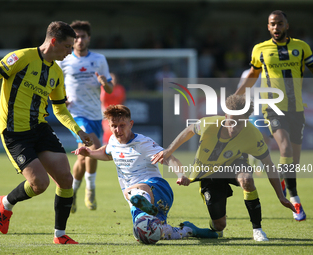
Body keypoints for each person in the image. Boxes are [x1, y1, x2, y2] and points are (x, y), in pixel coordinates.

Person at [0, 21, 92, 244]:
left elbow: (59, 108)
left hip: (40, 129)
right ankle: (5, 203)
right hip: (14, 133)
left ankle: (60, 235)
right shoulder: (21, 58)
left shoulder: (56, 72)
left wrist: (78, 130)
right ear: (54, 41)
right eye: (67, 47)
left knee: (66, 179)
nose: (70, 52)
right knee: (40, 184)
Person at [152, 95, 295, 241]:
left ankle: (257, 229)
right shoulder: (209, 124)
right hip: (209, 173)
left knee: (246, 180)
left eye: (239, 122)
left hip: (235, 163)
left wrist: (280, 196)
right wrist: (168, 151)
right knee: (219, 226)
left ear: (246, 120)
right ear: (226, 115)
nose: (234, 126)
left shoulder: (252, 135)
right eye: (231, 120)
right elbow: (189, 130)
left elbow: (269, 165)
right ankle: (211, 226)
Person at [72, 104, 218, 241]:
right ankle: (189, 230)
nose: (118, 130)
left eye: (122, 125)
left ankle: (144, 202)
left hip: (158, 188)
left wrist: (181, 175)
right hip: (135, 199)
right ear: (109, 126)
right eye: (114, 126)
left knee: (131, 192)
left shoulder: (143, 143)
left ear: (131, 124)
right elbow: (107, 152)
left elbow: (169, 158)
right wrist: (90, 153)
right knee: (147, 234)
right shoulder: (113, 141)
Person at [235, 10, 313, 221]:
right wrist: (236, 96)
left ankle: (285, 180)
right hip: (273, 108)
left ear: (287, 26)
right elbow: (252, 74)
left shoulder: (302, 47)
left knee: (293, 160)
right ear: (268, 27)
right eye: (272, 24)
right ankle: (295, 199)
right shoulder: (260, 49)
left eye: (280, 23)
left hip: (297, 108)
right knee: (285, 147)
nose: (276, 27)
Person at [57, 20, 113, 213]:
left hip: (96, 115)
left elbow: (110, 87)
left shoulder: (99, 59)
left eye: (83, 36)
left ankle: (71, 193)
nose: (79, 40)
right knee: (94, 146)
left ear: (89, 38)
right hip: (76, 115)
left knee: (83, 157)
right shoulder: (64, 60)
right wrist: (59, 99)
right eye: (76, 37)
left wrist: (104, 83)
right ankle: (91, 190)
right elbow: (53, 84)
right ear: (72, 40)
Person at [100, 72, 126, 145]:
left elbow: (123, 101)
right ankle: (106, 146)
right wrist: (106, 114)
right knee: (109, 130)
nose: (113, 80)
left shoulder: (120, 89)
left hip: (118, 114)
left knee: (120, 131)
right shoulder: (103, 89)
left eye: (114, 78)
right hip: (108, 114)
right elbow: (102, 102)